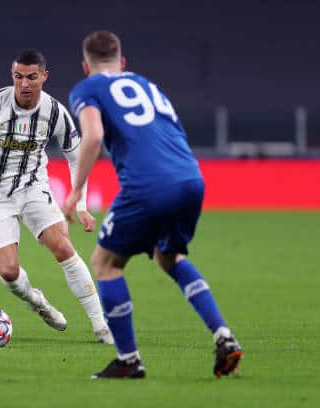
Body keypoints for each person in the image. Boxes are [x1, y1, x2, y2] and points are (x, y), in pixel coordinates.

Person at [64, 31, 243, 379]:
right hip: (190, 178)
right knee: (169, 256)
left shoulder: (88, 88)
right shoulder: (148, 85)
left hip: (149, 185)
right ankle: (223, 335)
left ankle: (128, 359)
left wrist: (76, 190)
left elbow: (94, 135)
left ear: (86, 66)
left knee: (105, 263)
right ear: (122, 62)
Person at [0, 49, 114, 344]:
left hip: (33, 187)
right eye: (18, 77)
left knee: (63, 246)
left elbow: (76, 158)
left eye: (32, 77)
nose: (24, 84)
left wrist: (81, 204)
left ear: (44, 76)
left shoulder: (55, 112)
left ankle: (101, 325)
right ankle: (37, 301)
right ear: (12, 75)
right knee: (9, 272)